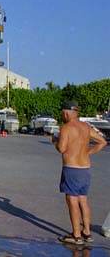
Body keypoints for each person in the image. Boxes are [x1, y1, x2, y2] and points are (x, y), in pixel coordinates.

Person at [53, 101, 107, 245]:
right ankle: (87, 232)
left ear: (66, 113)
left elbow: (62, 148)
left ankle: (76, 235)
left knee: (72, 201)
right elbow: (102, 142)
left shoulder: (66, 128)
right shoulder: (86, 127)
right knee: (83, 199)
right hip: (85, 169)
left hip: (72, 169)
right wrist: (88, 153)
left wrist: (55, 140)